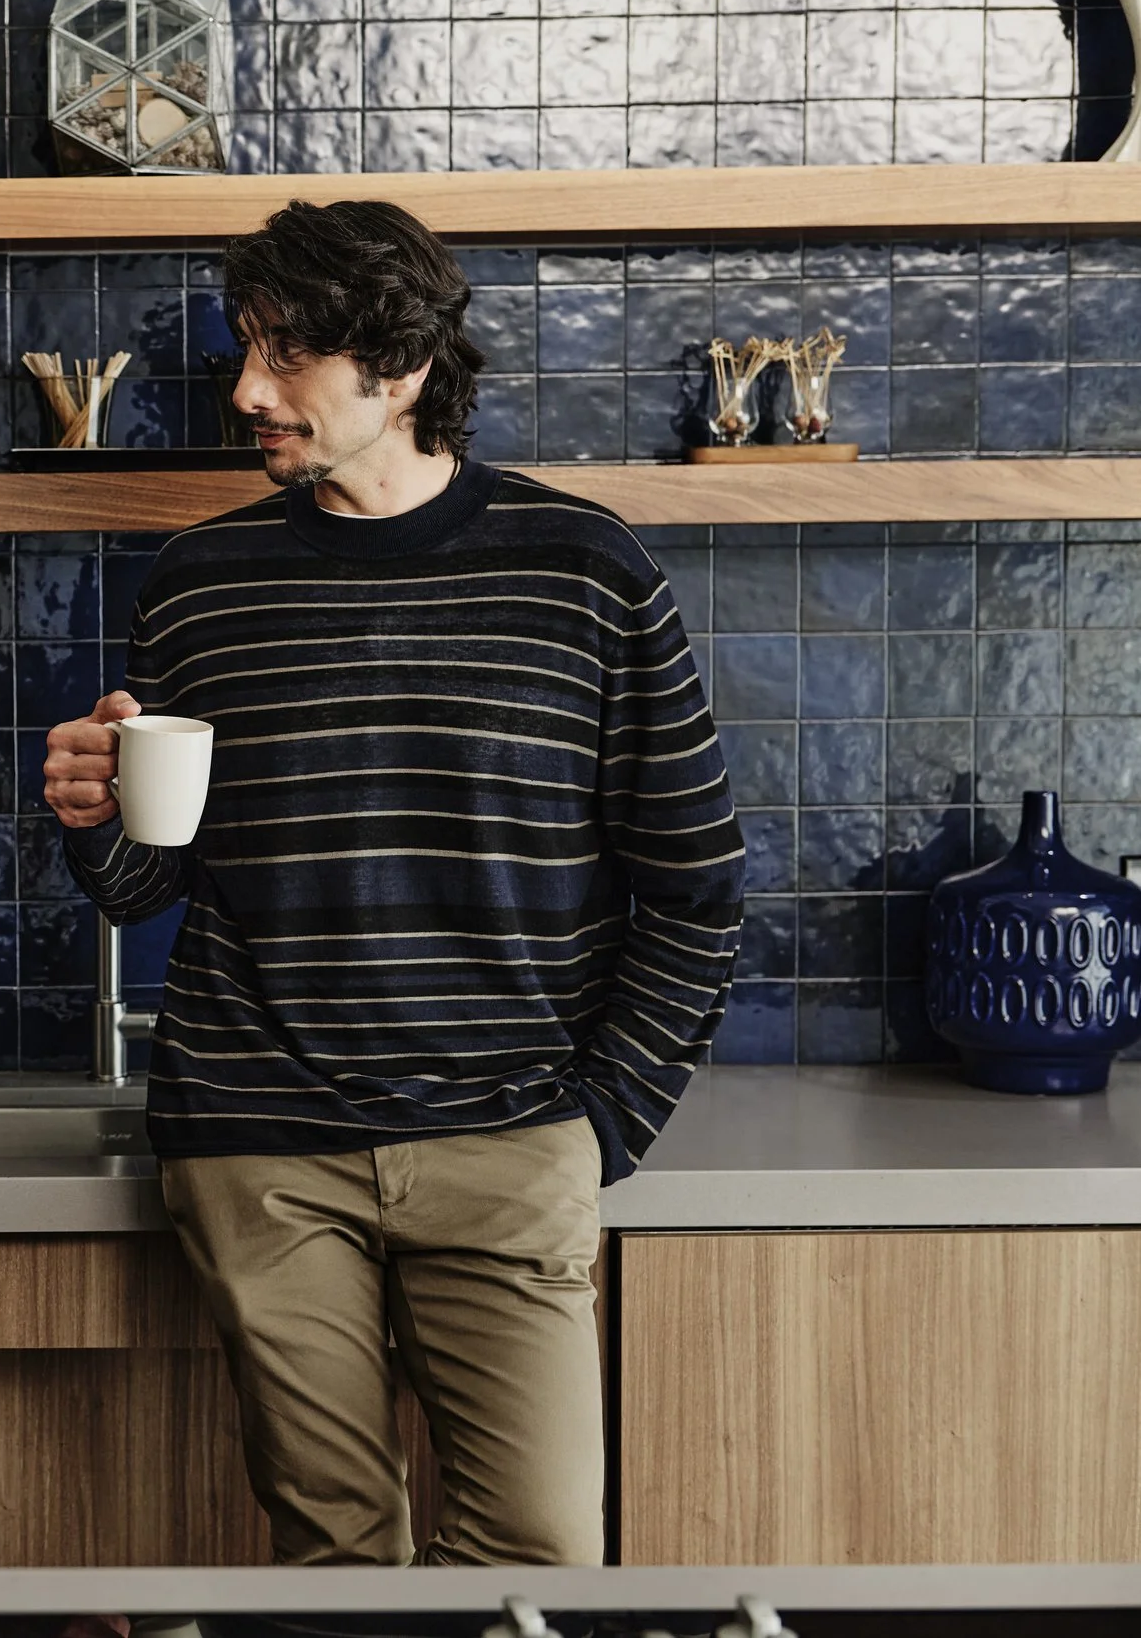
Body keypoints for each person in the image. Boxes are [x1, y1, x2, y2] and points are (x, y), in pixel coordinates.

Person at [42, 202, 744, 1566]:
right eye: (248, 349)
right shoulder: (202, 584)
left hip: (511, 1137)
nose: (247, 390)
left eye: (286, 354)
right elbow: (145, 885)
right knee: (335, 1555)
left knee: (543, 1556)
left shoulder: (586, 573)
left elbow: (699, 892)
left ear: (403, 369)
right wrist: (89, 813)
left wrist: (595, 1132)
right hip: (260, 1147)